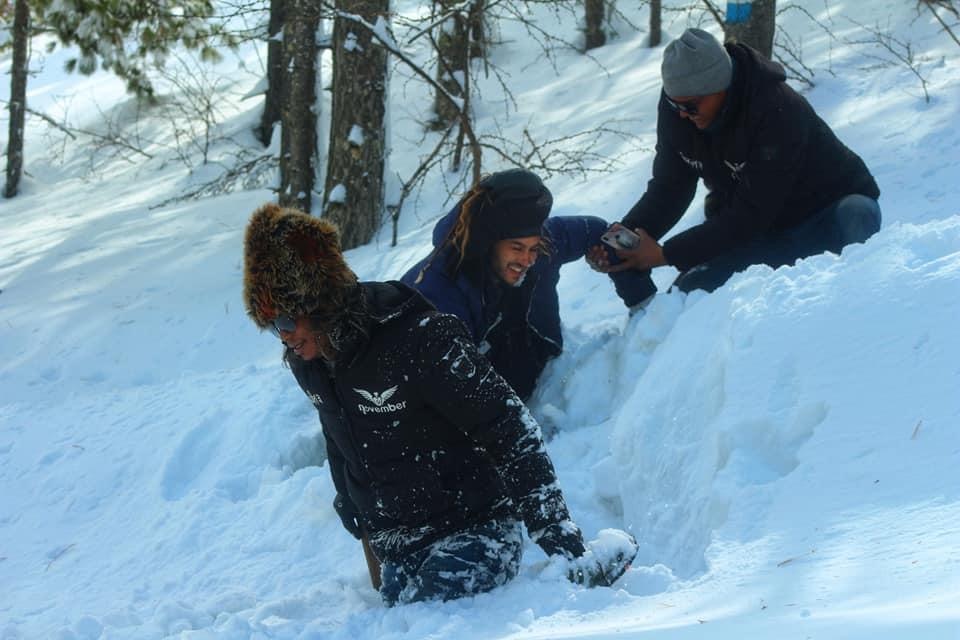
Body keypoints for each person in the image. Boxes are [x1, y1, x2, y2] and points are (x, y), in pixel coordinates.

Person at [242, 203, 636, 606]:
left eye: (286, 321)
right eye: (271, 325)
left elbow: (511, 428)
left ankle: (568, 588)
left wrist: (559, 537)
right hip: (401, 546)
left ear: (319, 302)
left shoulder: (418, 339)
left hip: (475, 530)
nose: (283, 337)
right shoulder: (310, 361)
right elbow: (338, 428)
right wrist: (351, 500)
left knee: (432, 620)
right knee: (402, 616)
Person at [591, 28, 881, 294]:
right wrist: (622, 238)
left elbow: (753, 212)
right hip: (762, 231)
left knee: (857, 214)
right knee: (688, 293)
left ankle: (856, 302)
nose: (681, 114)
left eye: (690, 105)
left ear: (721, 87)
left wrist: (667, 254)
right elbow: (670, 186)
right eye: (674, 103)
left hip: (823, 214)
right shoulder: (680, 107)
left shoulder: (776, 109)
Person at [401, 169, 655, 401]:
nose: (528, 259)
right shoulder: (437, 292)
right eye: (517, 248)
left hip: (538, 355)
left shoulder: (541, 245)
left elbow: (604, 232)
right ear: (488, 243)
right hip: (481, 396)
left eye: (534, 247)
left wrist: (645, 305)